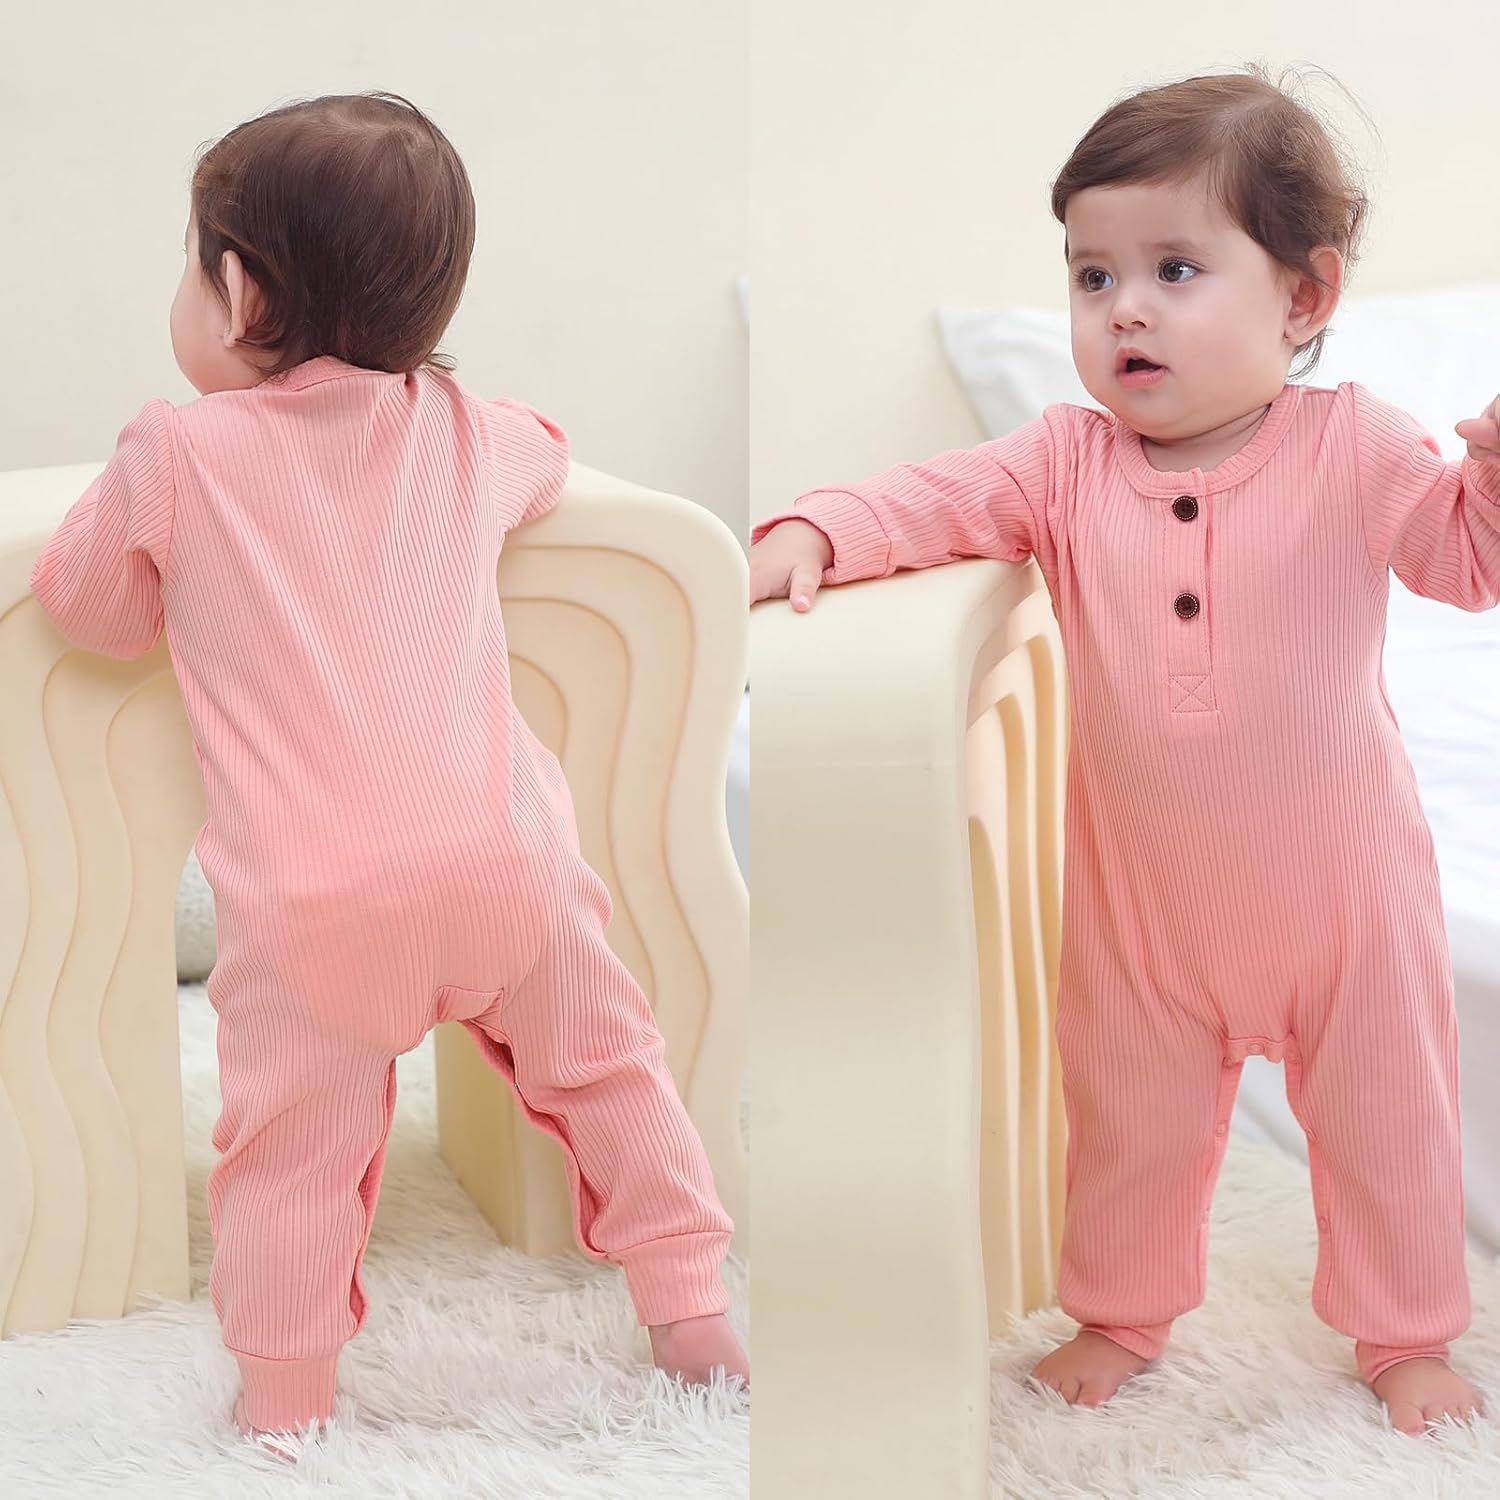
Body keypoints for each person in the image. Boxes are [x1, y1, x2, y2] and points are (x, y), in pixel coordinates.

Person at [751, 66, 1500, 1437]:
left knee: (1389, 1121)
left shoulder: (1356, 447)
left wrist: (1494, 478)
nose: (1125, 309)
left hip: (1347, 895)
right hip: (1145, 906)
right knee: (1129, 1123)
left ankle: (1404, 1333)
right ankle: (1120, 1312)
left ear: (1305, 297)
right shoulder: (1063, 462)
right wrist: (814, 527)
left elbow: (1466, 559)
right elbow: (926, 501)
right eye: (1092, 276)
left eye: (1174, 268)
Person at [31, 91, 747, 1456]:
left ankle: (286, 1396)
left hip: (315, 911)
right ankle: (691, 1306)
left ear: (238, 293)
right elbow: (548, 452)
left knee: (289, 1155)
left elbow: (89, 607)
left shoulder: (176, 452)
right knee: (612, 1074)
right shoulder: (467, 428)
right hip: (511, 874)